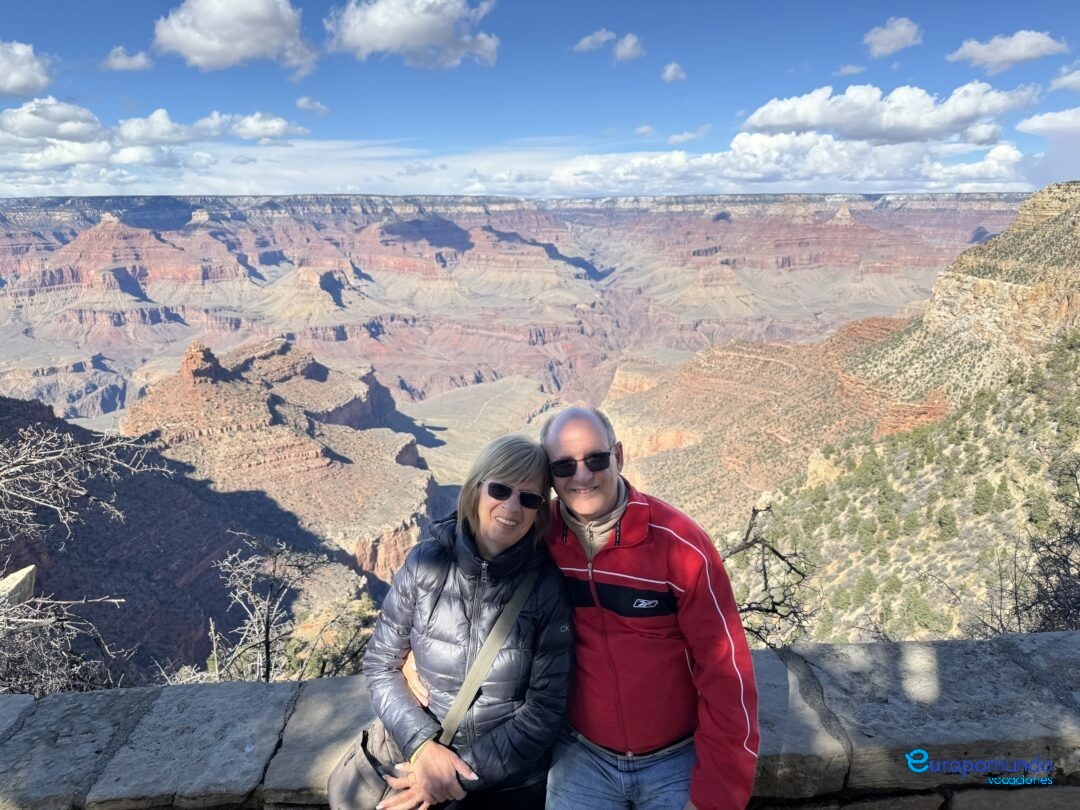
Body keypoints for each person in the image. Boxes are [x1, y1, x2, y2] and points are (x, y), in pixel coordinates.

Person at [540, 406, 759, 810]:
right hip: (582, 757)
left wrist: (718, 796)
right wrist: (417, 636)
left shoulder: (680, 546)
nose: (582, 476)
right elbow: (477, 544)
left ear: (618, 456)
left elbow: (726, 672)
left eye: (595, 459)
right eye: (564, 466)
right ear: (550, 476)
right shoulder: (540, 537)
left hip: (675, 759)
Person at [363, 434, 573, 810]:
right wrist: (422, 746)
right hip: (419, 760)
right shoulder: (424, 564)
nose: (512, 507)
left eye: (529, 498)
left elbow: (544, 710)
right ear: (476, 488)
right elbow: (380, 664)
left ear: (539, 512)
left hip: (508, 788)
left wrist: (451, 777)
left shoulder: (547, 590)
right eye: (500, 489)